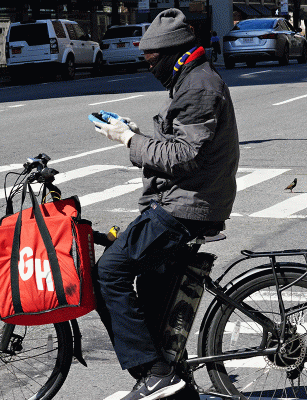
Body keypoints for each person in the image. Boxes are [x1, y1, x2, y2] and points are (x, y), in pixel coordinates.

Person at [89, 8, 239, 400]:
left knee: (109, 273)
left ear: (173, 53)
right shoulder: (190, 79)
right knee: (156, 300)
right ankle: (175, 382)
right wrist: (137, 134)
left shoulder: (198, 87)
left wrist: (127, 141)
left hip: (188, 205)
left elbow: (184, 156)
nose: (148, 65)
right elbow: (179, 146)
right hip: (183, 198)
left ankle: (154, 374)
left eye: (151, 59)